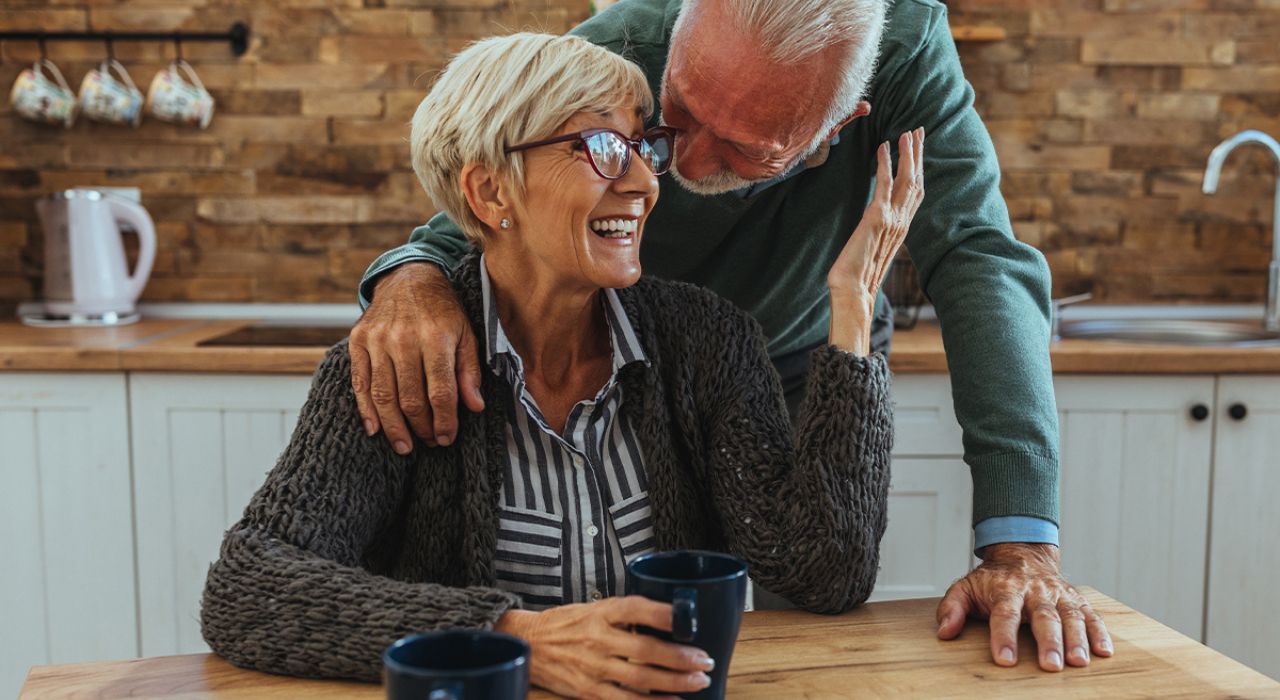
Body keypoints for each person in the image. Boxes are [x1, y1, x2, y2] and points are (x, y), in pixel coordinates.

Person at [350, 0, 1112, 674]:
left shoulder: (909, 53)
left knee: (812, 609)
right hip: (641, 360)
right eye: (677, 112)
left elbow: (979, 256)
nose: (674, 167)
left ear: (838, 126)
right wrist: (412, 274)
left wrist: (1017, 545)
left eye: (749, 148)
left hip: (804, 353)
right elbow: (489, 185)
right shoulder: (625, 40)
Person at [202, 32, 921, 697]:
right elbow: (248, 588)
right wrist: (518, 636)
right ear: (489, 192)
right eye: (605, 148)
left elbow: (825, 571)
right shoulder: (401, 363)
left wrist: (853, 304)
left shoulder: (706, 341)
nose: (644, 184)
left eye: (645, 149)